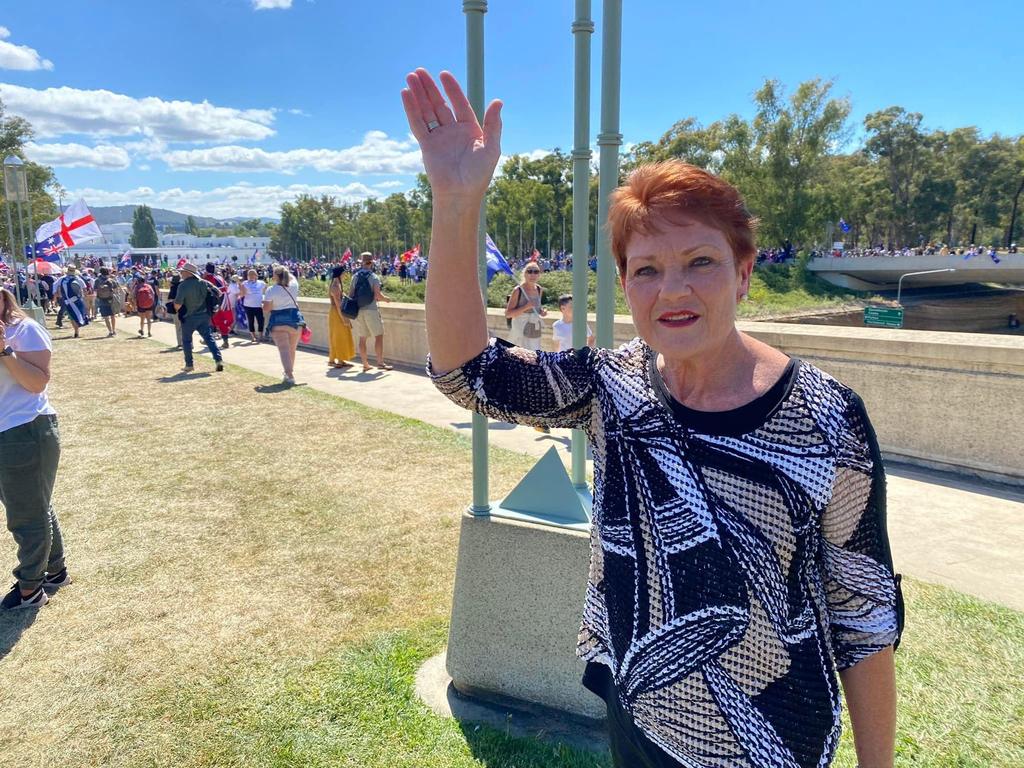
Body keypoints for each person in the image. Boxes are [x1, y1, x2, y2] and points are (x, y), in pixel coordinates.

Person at [403, 69, 903, 768]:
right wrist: (456, 204)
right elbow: (469, 373)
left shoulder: (826, 418)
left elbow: (863, 616)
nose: (673, 290)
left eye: (700, 261)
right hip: (639, 715)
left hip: (772, 740)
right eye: (645, 270)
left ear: (744, 273)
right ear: (625, 283)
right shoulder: (613, 384)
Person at [0, 287, 70, 611]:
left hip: (24, 429)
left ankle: (30, 588)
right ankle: (55, 571)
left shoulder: (23, 329)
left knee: (25, 515)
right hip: (8, 431)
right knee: (35, 504)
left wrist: (4, 351)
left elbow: (37, 382)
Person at [173, 262, 224, 374]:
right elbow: (219, 293)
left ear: (187, 273)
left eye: (182, 271)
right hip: (204, 315)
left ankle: (189, 365)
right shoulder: (204, 282)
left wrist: (176, 310)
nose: (181, 273)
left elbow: (177, 304)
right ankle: (218, 360)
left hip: (188, 317)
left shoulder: (183, 285)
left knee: (186, 341)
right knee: (209, 338)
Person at [349, 252, 393, 371]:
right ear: (371, 262)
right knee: (378, 336)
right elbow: (378, 295)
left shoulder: (355, 276)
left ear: (361, 262)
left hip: (359, 309)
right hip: (371, 309)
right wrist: (387, 299)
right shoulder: (374, 277)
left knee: (362, 338)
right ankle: (380, 362)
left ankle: (365, 364)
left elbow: (351, 295)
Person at [262, 266, 303, 385]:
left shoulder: (271, 290)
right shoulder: (294, 285)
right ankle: (288, 372)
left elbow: (267, 308)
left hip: (278, 320)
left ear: (275, 276)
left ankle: (289, 374)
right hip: (295, 320)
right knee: (292, 349)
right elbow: (292, 277)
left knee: (284, 349)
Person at [505, 261, 547, 350]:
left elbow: (536, 308)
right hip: (519, 331)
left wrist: (541, 311)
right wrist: (525, 307)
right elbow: (508, 314)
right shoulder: (518, 290)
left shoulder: (539, 289)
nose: (533, 274)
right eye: (529, 271)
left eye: (536, 272)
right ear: (524, 274)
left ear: (539, 275)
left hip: (534, 332)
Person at [327, 266, 355, 369]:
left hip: (336, 312)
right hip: (337, 313)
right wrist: (344, 318)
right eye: (344, 273)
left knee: (338, 335)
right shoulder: (335, 286)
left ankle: (337, 359)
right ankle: (338, 360)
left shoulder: (336, 284)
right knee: (339, 335)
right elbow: (338, 304)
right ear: (339, 274)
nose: (345, 275)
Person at [54, 266, 89, 338]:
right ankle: (77, 330)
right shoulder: (78, 279)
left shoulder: (62, 279)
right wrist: (84, 297)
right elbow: (84, 289)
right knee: (79, 314)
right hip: (77, 300)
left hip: (67, 300)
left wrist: (56, 297)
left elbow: (55, 287)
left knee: (72, 316)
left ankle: (76, 331)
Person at [239, 269, 266, 343]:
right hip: (248, 305)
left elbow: (266, 291)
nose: (250, 276)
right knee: (251, 321)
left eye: (252, 274)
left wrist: (263, 299)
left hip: (258, 305)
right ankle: (253, 337)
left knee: (260, 321)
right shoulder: (244, 283)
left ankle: (260, 336)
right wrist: (240, 285)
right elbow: (242, 294)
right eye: (249, 274)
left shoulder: (261, 283)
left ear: (256, 275)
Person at [93, 267, 118, 337]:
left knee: (106, 317)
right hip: (111, 299)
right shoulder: (111, 280)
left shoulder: (97, 280)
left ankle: (110, 331)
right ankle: (114, 330)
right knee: (113, 316)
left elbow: (95, 290)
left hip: (101, 299)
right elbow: (116, 289)